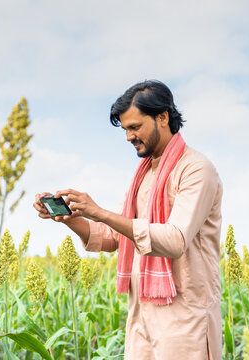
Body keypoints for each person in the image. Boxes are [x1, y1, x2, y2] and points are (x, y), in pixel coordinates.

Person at [33, 80, 222, 360]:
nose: (128, 137)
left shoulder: (196, 169)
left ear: (163, 117)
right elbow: (113, 237)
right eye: (125, 129)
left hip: (184, 319)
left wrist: (98, 211)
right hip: (141, 317)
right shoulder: (143, 174)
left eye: (134, 127)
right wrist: (68, 218)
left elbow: (175, 240)